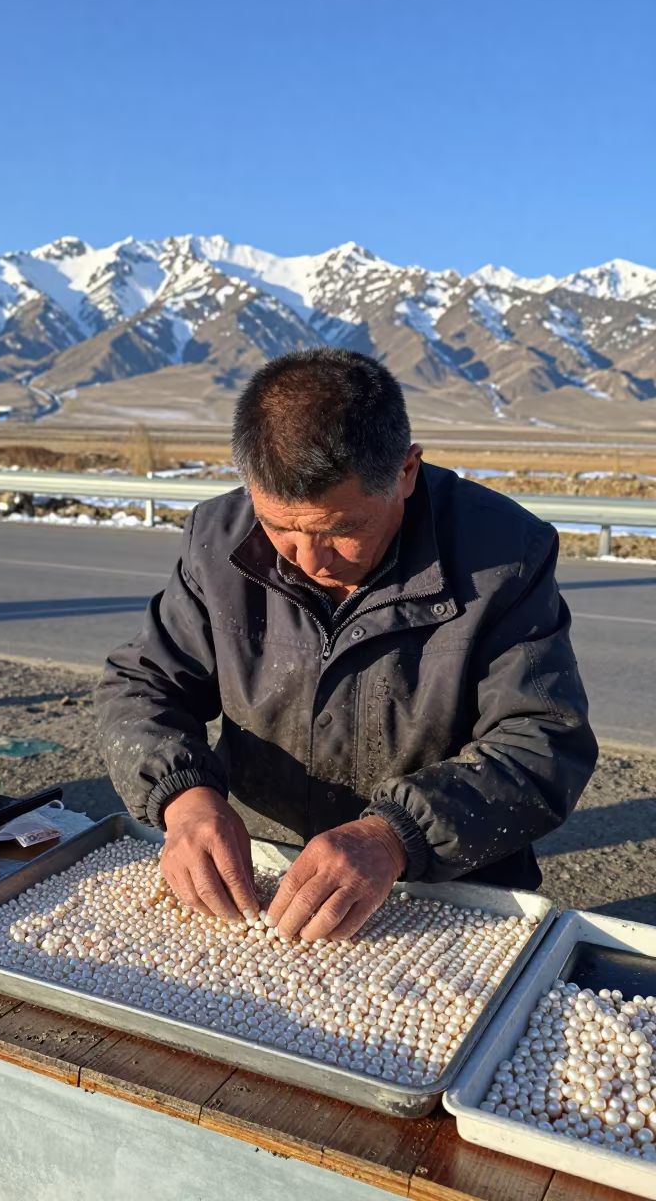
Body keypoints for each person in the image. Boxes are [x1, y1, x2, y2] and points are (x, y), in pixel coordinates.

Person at [95, 349, 597, 942]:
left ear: (406, 471)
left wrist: (394, 836)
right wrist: (185, 799)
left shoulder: (504, 555)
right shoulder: (218, 538)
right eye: (280, 526)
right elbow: (142, 684)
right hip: (263, 860)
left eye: (342, 530)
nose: (309, 561)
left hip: (445, 873)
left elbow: (542, 741)